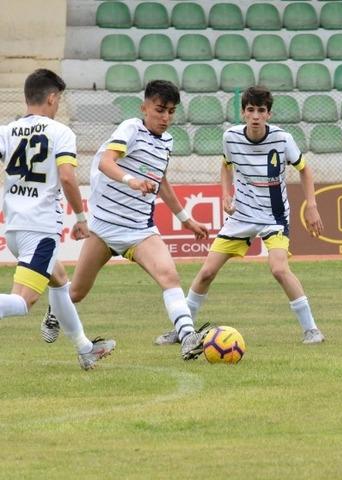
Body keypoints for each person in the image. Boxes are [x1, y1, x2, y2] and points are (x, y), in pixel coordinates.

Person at [39, 80, 211, 360]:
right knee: (78, 292)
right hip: (105, 229)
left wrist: (186, 219)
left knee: (169, 276)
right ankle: (54, 310)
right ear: (144, 108)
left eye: (171, 111)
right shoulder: (131, 128)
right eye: (159, 110)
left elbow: (161, 180)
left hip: (140, 230)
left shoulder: (167, 141)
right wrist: (130, 180)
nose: (165, 117)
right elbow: (107, 161)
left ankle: (188, 337)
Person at [154, 85, 326, 346]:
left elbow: (304, 169)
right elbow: (225, 165)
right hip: (241, 217)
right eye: (250, 110)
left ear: (269, 114)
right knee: (206, 273)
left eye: (261, 110)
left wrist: (311, 205)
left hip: (274, 217)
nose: (255, 116)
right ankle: (183, 331)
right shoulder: (231, 137)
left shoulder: (282, 139)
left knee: (279, 269)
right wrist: (225, 194)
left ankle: (311, 329)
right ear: (243, 113)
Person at [0, 68, 115, 369]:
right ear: (52, 98)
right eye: (59, 99)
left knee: (60, 280)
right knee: (24, 302)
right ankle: (85, 348)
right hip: (40, 230)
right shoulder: (60, 132)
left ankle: (85, 348)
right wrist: (80, 217)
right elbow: (67, 177)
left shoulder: (6, 131)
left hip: (14, 228)